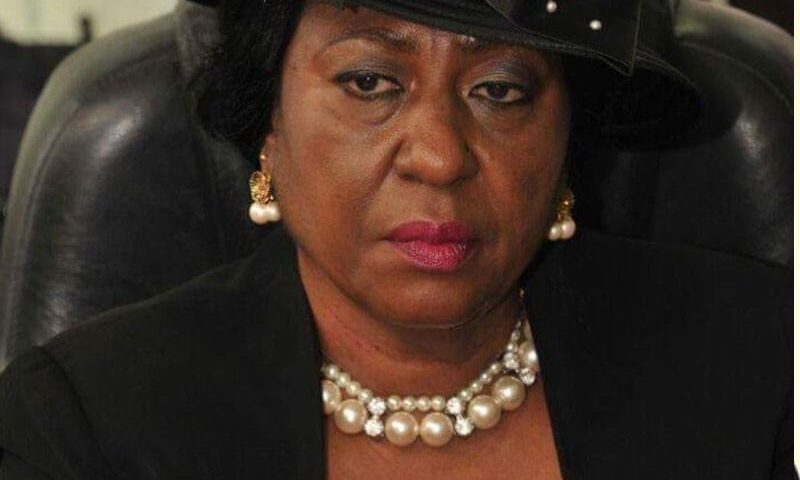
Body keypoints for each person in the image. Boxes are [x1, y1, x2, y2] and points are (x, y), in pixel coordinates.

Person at [0, 0, 792, 479]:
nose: (440, 158)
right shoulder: (82, 427)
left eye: (500, 90)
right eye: (370, 81)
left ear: (563, 145)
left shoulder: (760, 361)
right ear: (269, 124)